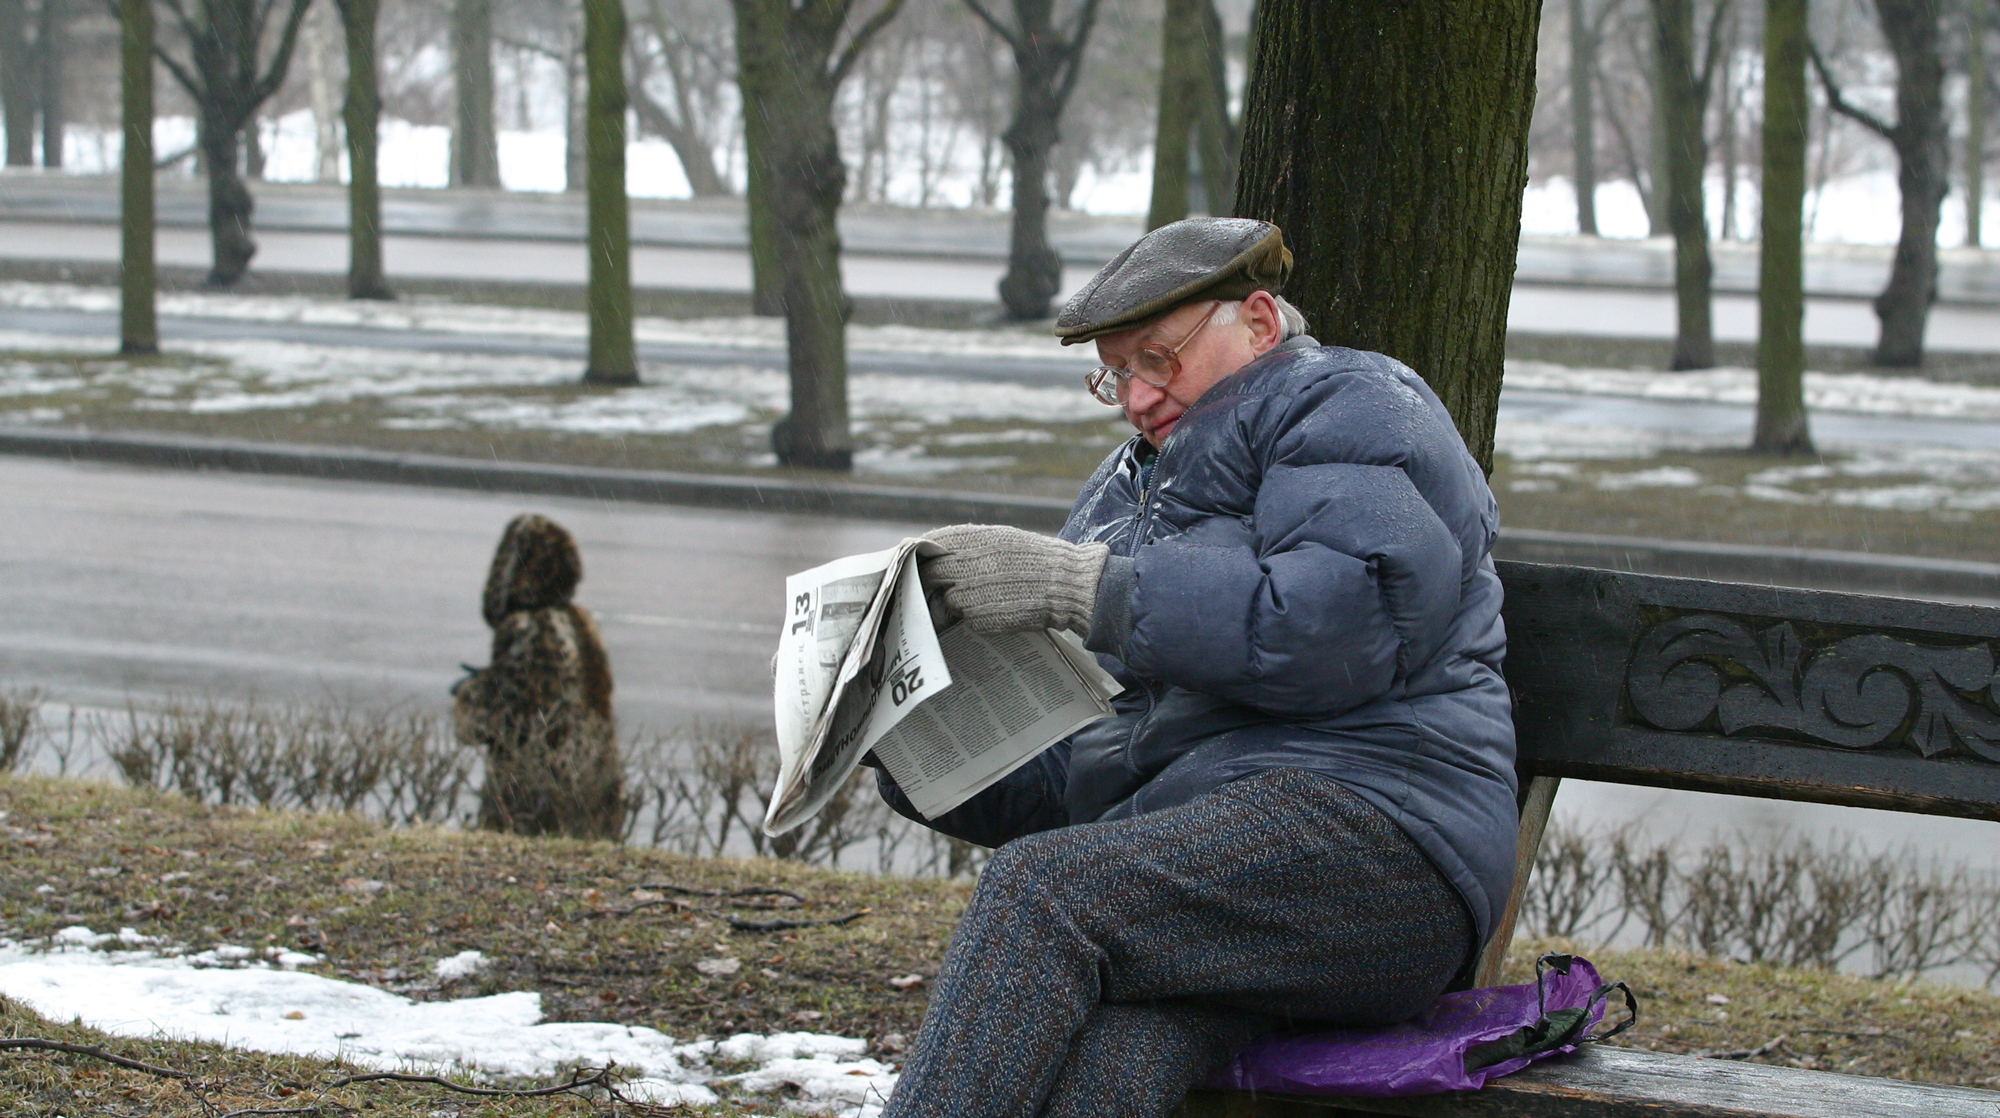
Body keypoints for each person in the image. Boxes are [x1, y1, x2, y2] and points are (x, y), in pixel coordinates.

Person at [870, 218, 1518, 1118]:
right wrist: (898, 731)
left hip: (1382, 848)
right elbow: (1087, 765)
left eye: (1158, 358)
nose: (1137, 397)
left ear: (1257, 321)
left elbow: (1335, 632)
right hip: (1215, 889)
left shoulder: (1354, 404)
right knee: (1111, 1062)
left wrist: (1088, 590)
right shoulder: (1130, 485)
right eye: (1116, 373)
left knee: (1042, 894)